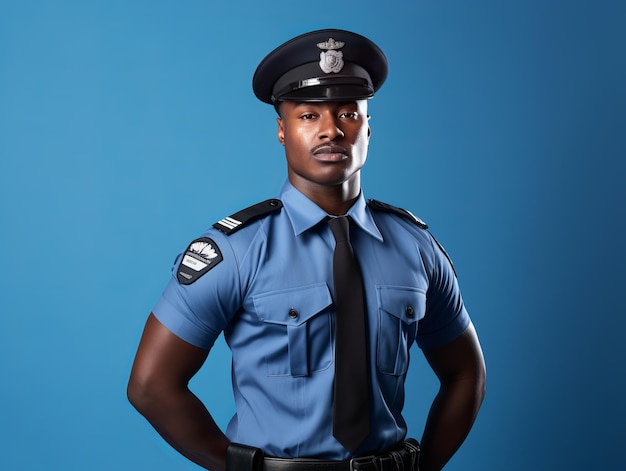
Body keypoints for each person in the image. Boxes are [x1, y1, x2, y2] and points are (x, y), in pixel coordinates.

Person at [127, 29, 486, 471]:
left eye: (348, 114)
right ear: (282, 130)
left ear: (368, 128)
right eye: (309, 116)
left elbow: (466, 374)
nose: (331, 130)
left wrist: (425, 467)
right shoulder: (237, 250)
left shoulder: (416, 248)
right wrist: (237, 466)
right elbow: (150, 385)